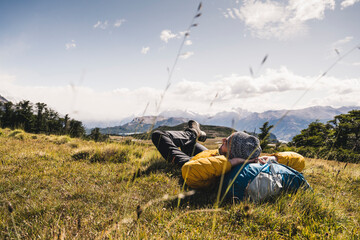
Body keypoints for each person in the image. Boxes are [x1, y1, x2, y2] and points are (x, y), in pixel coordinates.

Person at [151, 120, 262, 188]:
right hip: (211, 154)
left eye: (226, 142)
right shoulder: (244, 156)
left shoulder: (225, 169)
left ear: (232, 154)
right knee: (189, 143)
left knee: (158, 135)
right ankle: (192, 134)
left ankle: (193, 132)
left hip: (193, 161)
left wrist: (232, 162)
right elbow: (280, 157)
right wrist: (270, 157)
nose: (223, 139)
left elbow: (190, 169)